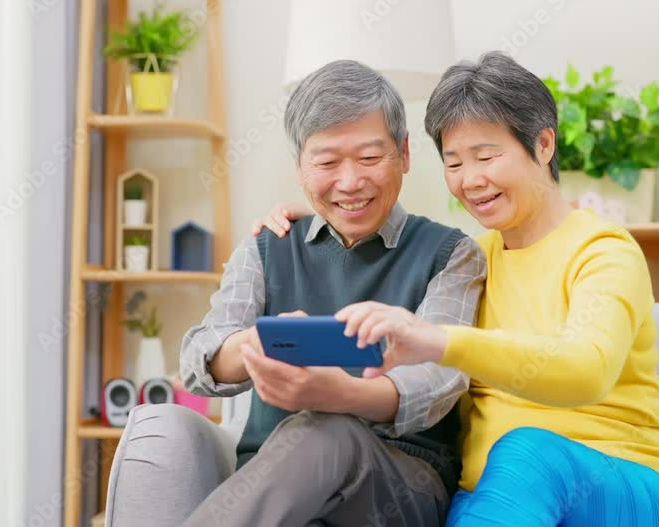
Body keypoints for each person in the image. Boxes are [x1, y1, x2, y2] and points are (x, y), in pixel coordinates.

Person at [256, 52, 659, 526]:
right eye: (454, 163)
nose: (471, 180)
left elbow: (587, 369)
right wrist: (325, 220)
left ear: (544, 144)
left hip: (630, 494)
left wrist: (437, 341)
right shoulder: (468, 260)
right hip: (495, 501)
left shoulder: (603, 250)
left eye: (487, 156)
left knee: (527, 449)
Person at [104, 59, 486, 527]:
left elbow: (438, 382)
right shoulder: (268, 248)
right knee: (300, 433)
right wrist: (255, 345)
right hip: (270, 490)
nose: (349, 182)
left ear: (404, 154)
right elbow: (198, 362)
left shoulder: (450, 254)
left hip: (397, 488)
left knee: (323, 432)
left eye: (369, 158)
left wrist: (341, 394)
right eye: (327, 162)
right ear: (301, 167)